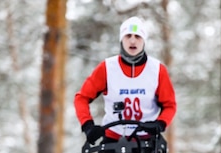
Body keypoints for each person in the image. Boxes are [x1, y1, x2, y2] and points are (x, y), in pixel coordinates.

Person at [74, 16, 177, 144]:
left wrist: (160, 123)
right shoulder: (107, 68)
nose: (132, 41)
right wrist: (88, 125)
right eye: (128, 36)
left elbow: (170, 105)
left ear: (144, 41)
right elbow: (81, 98)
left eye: (137, 36)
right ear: (121, 39)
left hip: (146, 139)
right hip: (113, 137)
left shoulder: (157, 70)